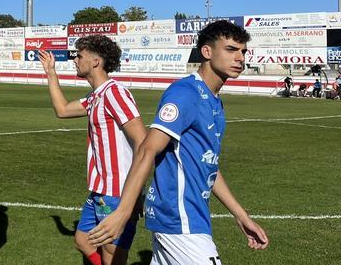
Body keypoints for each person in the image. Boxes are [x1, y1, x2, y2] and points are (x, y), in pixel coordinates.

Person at [88, 20, 269, 262]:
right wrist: (123, 211)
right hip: (179, 218)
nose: (240, 58)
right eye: (230, 49)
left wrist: (241, 216)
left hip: (191, 216)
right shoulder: (185, 94)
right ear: (207, 52)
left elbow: (208, 166)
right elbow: (146, 150)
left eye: (243, 51)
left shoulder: (214, 101)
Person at [38, 35, 146, 265]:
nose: (75, 60)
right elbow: (63, 110)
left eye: (79, 55)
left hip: (118, 191)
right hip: (100, 189)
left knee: (112, 255)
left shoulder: (114, 92)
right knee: (83, 239)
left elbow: (142, 141)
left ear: (96, 62)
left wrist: (138, 192)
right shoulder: (95, 96)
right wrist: (50, 73)